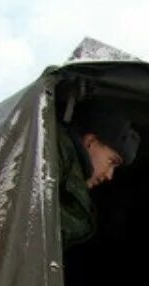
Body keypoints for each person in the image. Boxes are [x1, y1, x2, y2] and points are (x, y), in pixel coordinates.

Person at [57, 99, 140, 249]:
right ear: (90, 141)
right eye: (111, 161)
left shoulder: (65, 162)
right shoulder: (57, 152)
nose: (109, 176)